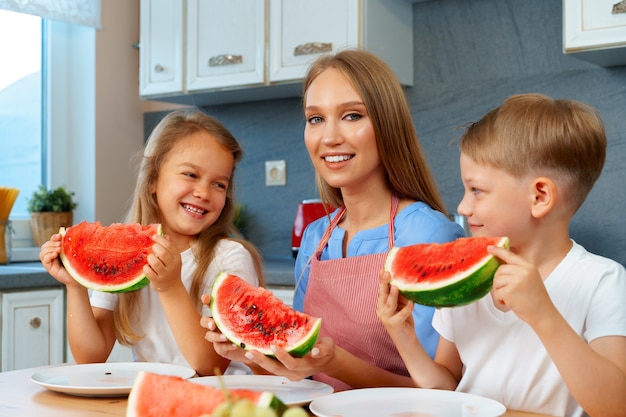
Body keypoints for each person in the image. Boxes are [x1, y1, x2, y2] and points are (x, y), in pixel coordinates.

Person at [201, 48, 464, 391]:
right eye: (315, 119)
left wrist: (337, 363)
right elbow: (302, 374)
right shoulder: (315, 238)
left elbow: (445, 391)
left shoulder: (429, 235)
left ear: (387, 125)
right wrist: (249, 351)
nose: (329, 137)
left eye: (352, 116)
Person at [377, 93, 626, 417]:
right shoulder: (465, 286)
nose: (463, 207)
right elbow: (445, 389)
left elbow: (616, 407)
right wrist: (404, 335)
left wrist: (543, 314)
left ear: (539, 196)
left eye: (477, 190)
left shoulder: (601, 282)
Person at [40, 109, 264, 376]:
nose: (204, 192)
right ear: (153, 180)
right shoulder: (121, 253)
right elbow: (91, 356)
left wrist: (170, 286)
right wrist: (75, 285)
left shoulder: (229, 258)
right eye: (191, 175)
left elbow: (210, 365)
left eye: (219, 184)